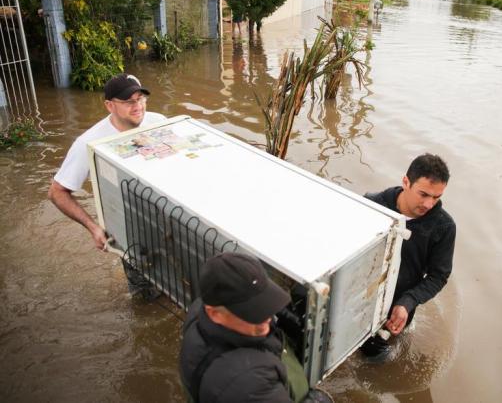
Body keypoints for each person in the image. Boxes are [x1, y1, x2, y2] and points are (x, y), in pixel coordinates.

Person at [179, 252, 332, 403]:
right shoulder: (248, 384)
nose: (267, 317)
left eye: (263, 303)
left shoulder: (200, 310)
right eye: (252, 311)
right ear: (215, 314)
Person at [48, 73, 166, 251]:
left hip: (167, 214)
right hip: (128, 226)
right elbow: (57, 192)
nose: (138, 106)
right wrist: (93, 227)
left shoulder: (159, 122)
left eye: (140, 99)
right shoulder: (88, 143)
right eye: (128, 102)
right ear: (109, 106)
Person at [360, 154, 456, 359]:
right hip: (360, 296)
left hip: (398, 310)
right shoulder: (371, 204)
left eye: (437, 197)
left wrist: (408, 302)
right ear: (406, 182)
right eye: (424, 194)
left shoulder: (444, 227)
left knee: (376, 359)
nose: (429, 204)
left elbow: (438, 276)